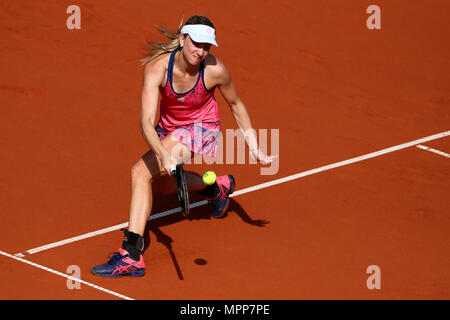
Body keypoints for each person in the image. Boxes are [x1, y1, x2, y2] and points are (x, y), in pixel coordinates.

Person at [92, 15, 277, 278]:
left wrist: (254, 147)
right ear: (182, 39)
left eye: (207, 47)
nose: (201, 52)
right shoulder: (157, 69)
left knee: (139, 173)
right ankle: (216, 188)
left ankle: (131, 254)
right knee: (159, 186)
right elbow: (145, 122)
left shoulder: (215, 70)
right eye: (196, 44)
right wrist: (164, 153)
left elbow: (236, 104)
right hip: (168, 129)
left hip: (202, 128)